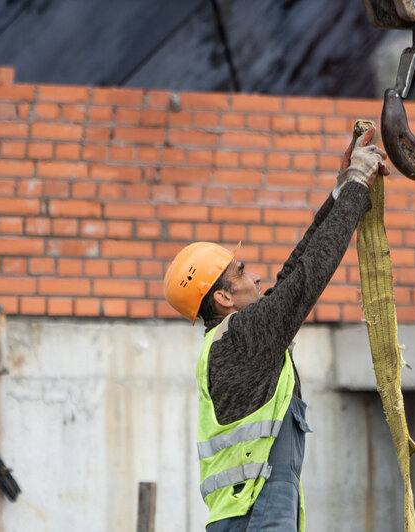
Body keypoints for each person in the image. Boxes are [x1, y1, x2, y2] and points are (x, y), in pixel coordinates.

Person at [163, 125, 389, 531]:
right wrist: (357, 185)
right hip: (258, 515)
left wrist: (341, 192)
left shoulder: (231, 341)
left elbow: (292, 276)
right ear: (224, 298)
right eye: (243, 272)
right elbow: (307, 278)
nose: (257, 277)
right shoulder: (245, 337)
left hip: (240, 516)